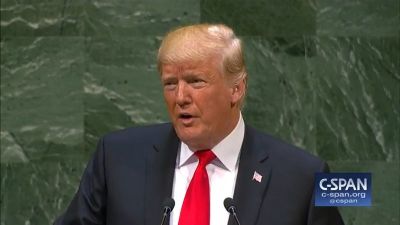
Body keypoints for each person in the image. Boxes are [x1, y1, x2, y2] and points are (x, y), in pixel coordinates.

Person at [54, 24, 344, 225]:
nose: (180, 97)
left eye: (195, 81)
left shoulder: (304, 177)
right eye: (170, 84)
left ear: (237, 89)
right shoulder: (116, 158)